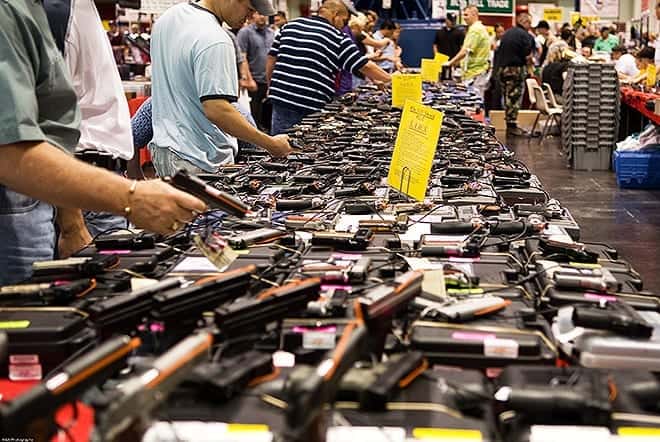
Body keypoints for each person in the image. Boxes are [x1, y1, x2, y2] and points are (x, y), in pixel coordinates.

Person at [0, 0, 207, 284]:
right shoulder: (40, 10)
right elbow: (14, 146)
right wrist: (122, 201)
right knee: (33, 301)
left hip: (76, 185)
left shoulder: (65, 9)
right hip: (43, 191)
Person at [149, 0, 292, 177]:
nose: (250, 18)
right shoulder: (215, 38)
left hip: (166, 151)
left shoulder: (168, 19)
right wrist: (270, 144)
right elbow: (217, 109)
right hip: (199, 159)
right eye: (249, 9)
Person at [43, 0, 136, 245]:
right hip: (83, 190)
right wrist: (72, 224)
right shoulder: (58, 11)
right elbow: (47, 120)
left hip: (99, 182)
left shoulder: (81, 9)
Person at [267, 0, 391, 134]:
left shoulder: (290, 26)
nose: (344, 26)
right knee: (306, 142)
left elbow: (271, 58)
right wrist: (392, 80)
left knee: (279, 142)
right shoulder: (337, 37)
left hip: (281, 99)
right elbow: (364, 66)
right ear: (335, 15)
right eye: (344, 21)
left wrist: (270, 86)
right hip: (311, 103)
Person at [494, 13, 535, 135]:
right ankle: (512, 125)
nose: (530, 26)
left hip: (502, 69)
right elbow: (527, 55)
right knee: (514, 97)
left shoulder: (507, 33)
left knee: (507, 97)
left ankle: (509, 123)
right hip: (515, 69)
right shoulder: (525, 35)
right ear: (525, 23)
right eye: (529, 23)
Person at [238, 12, 275, 131]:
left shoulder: (271, 33)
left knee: (267, 118)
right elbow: (242, 58)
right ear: (253, 15)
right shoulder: (245, 32)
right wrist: (249, 79)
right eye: (259, 13)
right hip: (254, 81)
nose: (262, 16)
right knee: (254, 118)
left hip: (268, 81)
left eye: (264, 14)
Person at [447, 5, 491, 98]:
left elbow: (465, 51)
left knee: (474, 101)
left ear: (474, 14)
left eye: (466, 15)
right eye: (464, 15)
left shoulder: (475, 30)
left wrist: (449, 63)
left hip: (475, 73)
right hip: (476, 73)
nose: (464, 18)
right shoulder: (478, 28)